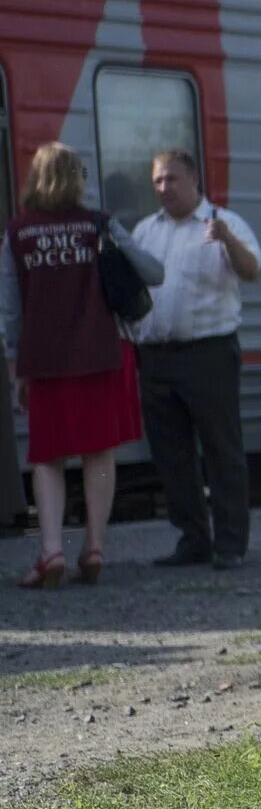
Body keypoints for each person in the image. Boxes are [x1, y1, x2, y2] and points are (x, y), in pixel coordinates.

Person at [2, 142, 164, 588]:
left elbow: (10, 311)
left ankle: (51, 551)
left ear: (35, 178)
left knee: (48, 459)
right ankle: (94, 546)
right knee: (99, 451)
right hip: (102, 355)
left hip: (45, 363)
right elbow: (154, 273)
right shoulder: (99, 224)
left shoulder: (17, 233)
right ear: (78, 178)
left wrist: (16, 369)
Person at [130, 149, 261, 570]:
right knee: (171, 454)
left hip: (209, 354)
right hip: (155, 356)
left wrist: (226, 239)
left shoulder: (224, 222)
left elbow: (252, 270)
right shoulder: (145, 231)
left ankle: (230, 544)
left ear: (193, 180)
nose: (163, 188)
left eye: (171, 179)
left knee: (222, 449)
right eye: (157, 181)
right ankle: (192, 539)